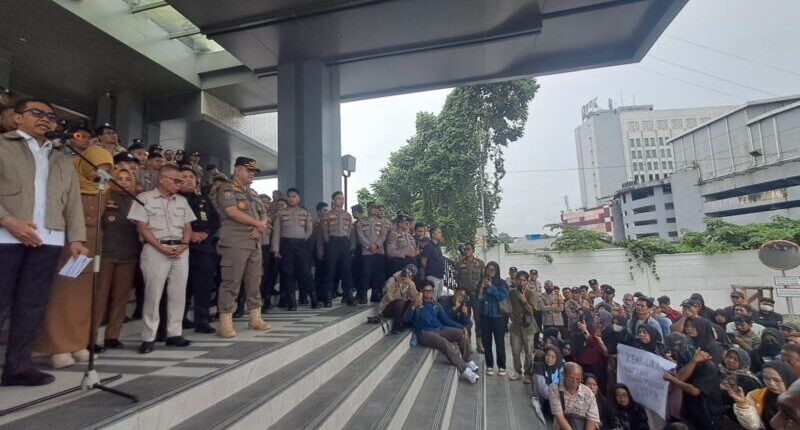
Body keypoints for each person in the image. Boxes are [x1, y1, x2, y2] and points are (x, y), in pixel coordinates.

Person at [0, 99, 89, 386]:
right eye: (36, 113)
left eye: (50, 116)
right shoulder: (2, 146)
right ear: (16, 118)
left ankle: (17, 367)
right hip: (6, 236)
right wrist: (8, 221)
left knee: (32, 305)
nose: (45, 119)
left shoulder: (62, 156)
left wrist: (76, 238)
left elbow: (73, 202)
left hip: (49, 239)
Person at [32, 145, 112, 367]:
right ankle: (57, 347)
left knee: (84, 298)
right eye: (97, 168)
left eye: (106, 169)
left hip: (93, 247)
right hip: (68, 243)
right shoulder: (67, 180)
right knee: (61, 297)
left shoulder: (104, 189)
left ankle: (78, 343)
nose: (99, 174)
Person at [127, 164, 195, 354]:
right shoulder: (144, 199)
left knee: (178, 293)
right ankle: (149, 337)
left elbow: (187, 226)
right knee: (153, 294)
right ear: (162, 178)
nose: (179, 184)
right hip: (155, 250)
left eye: (181, 181)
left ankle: (175, 333)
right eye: (176, 180)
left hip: (180, 250)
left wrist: (184, 244)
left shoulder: (181, 201)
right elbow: (142, 227)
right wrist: (160, 247)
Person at [215, 158, 271, 336]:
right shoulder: (226, 188)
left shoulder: (252, 194)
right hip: (235, 243)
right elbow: (232, 212)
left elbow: (264, 213)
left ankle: (255, 318)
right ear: (237, 170)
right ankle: (225, 322)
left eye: (254, 171)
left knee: (254, 282)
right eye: (249, 171)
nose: (252, 174)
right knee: (231, 282)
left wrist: (260, 226)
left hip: (254, 243)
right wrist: (258, 224)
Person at [94, 168, 140, 350]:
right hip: (106, 254)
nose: (123, 181)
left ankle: (113, 336)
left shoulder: (137, 200)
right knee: (99, 298)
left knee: (121, 298)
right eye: (119, 178)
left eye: (128, 178)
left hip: (129, 255)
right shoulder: (105, 195)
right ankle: (91, 338)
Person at [403, 280, 479, 384]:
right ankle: (465, 369)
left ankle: (468, 360)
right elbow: (405, 319)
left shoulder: (436, 304)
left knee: (460, 333)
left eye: (430, 291)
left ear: (433, 292)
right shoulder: (415, 304)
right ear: (421, 291)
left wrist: (462, 328)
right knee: (443, 343)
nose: (427, 294)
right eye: (425, 291)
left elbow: (446, 320)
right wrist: (413, 306)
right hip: (425, 333)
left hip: (440, 329)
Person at [179, 167, 220, 334]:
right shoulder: (174, 199)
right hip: (182, 249)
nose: (189, 180)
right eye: (184, 177)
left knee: (203, 287)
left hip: (204, 249)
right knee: (182, 287)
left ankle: (201, 321)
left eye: (191, 177)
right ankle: (179, 319)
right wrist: (189, 234)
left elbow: (215, 221)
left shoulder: (203, 200)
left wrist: (205, 233)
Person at [663, 333, 724, 430]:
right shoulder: (685, 360)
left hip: (706, 411)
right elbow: (681, 377)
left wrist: (673, 379)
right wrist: (693, 361)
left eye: (676, 348)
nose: (674, 351)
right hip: (690, 409)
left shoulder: (707, 366)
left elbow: (695, 391)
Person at [272, 188, 316, 310]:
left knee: (306, 273)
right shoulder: (280, 213)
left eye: (294, 196)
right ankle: (292, 303)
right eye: (289, 196)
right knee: (288, 273)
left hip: (301, 245)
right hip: (286, 245)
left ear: (299, 198)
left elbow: (309, 230)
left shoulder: (304, 212)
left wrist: (302, 239)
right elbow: (276, 232)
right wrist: (276, 249)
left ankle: (314, 299)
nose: (291, 198)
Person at [729, 361, 797, 430]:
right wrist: (742, 404)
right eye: (766, 378)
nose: (771, 383)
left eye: (776, 380)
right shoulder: (756, 395)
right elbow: (753, 425)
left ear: (787, 378)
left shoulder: (796, 397)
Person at [320, 191, 354, 307]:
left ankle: (348, 296)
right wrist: (329, 243)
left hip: (344, 242)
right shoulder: (327, 215)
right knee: (330, 270)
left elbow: (349, 231)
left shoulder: (347, 215)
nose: (341, 200)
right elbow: (324, 232)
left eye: (342, 198)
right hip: (332, 242)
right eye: (339, 198)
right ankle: (328, 298)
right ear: (334, 201)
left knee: (347, 270)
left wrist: (345, 241)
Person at [719, 346, 763, 428]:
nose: (731, 361)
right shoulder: (722, 370)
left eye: (736, 359)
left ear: (743, 362)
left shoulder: (749, 381)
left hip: (740, 420)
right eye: (729, 357)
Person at [548, 362, 600, 430]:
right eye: (571, 378)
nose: (575, 382)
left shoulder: (588, 393)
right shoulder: (554, 389)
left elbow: (592, 419)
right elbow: (559, 416)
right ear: (564, 375)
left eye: (578, 379)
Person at [508, 270, 538, 383]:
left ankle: (527, 373)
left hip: (528, 326)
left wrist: (524, 300)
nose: (521, 283)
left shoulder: (531, 293)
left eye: (524, 280)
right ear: (516, 280)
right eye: (519, 280)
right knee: (515, 350)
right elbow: (507, 305)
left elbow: (531, 310)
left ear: (527, 281)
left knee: (529, 352)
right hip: (515, 326)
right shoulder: (511, 292)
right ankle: (517, 371)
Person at [356, 202, 390, 304]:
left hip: (379, 252)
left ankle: (376, 295)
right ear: (368, 209)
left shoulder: (383, 222)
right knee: (365, 274)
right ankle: (363, 296)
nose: (375, 210)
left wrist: (377, 245)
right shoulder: (361, 222)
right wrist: (368, 246)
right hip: (367, 252)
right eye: (373, 208)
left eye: (377, 208)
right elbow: (360, 236)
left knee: (378, 274)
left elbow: (383, 235)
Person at [480, 261, 509, 377]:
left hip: (498, 317)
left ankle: (502, 366)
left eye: (492, 270)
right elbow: (479, 298)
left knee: (500, 342)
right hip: (485, 316)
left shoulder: (502, 283)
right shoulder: (482, 282)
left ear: (496, 271)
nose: (489, 272)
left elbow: (502, 296)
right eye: (488, 270)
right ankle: (489, 365)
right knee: (486, 342)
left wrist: (491, 287)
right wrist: (482, 288)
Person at [454, 243, 484, 352]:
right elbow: (456, 278)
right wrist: (461, 292)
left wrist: (480, 293)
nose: (466, 251)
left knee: (478, 319)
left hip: (476, 294)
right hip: (465, 295)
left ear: (473, 250)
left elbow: (483, 279)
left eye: (468, 249)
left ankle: (479, 344)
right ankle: (468, 343)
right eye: (464, 249)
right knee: (466, 318)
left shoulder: (480, 263)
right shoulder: (459, 264)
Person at [379, 264, 419, 333]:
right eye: (408, 274)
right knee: (399, 302)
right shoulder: (393, 279)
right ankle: (396, 326)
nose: (410, 277)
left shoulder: (410, 283)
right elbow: (389, 295)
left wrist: (410, 285)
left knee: (411, 302)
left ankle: (408, 323)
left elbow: (416, 298)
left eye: (412, 276)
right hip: (388, 307)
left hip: (400, 308)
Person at [532, 346, 565, 410]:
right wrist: (559, 398)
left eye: (553, 357)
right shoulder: (538, 367)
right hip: (543, 400)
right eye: (547, 355)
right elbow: (543, 391)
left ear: (557, 358)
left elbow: (562, 385)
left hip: (556, 397)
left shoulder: (560, 366)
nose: (549, 359)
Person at [385, 214, 417, 279]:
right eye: (406, 223)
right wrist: (405, 253)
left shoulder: (409, 235)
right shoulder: (393, 235)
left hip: (411, 264)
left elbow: (414, 247)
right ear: (400, 224)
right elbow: (390, 252)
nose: (408, 225)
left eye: (409, 223)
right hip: (399, 264)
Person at [419, 226, 446, 297]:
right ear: (433, 234)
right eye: (439, 232)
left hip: (440, 276)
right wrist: (428, 271)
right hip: (432, 276)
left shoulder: (438, 246)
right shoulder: (429, 246)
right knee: (432, 298)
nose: (441, 234)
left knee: (438, 298)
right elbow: (423, 260)